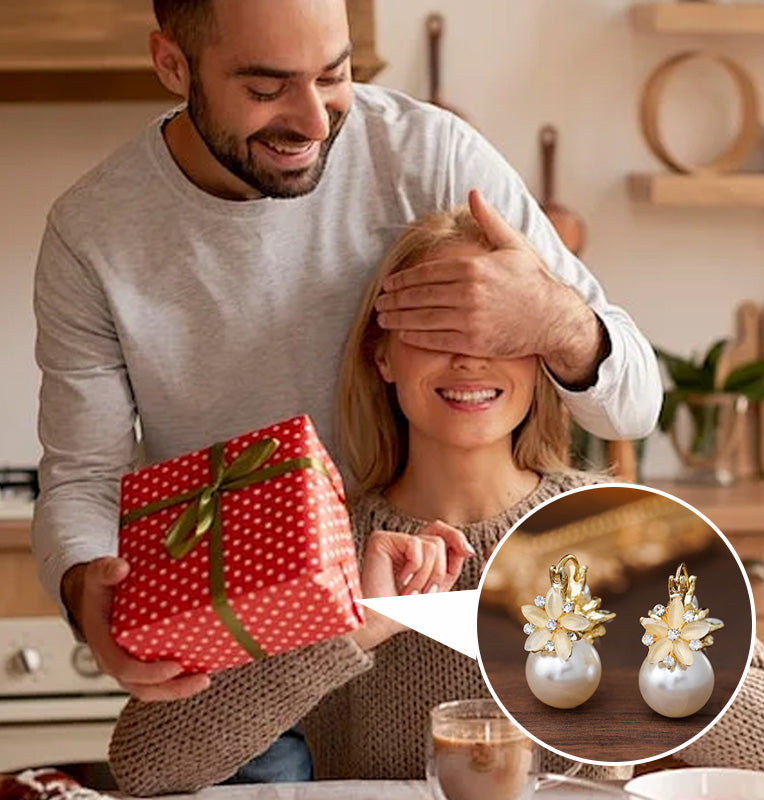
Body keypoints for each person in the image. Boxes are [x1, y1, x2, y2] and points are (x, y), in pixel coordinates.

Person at [31, 0, 660, 778]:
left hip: (404, 607)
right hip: (246, 656)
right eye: (266, 89)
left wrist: (554, 318)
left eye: (334, 76)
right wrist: (86, 585)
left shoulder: (430, 155)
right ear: (172, 64)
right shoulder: (93, 231)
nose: (313, 121)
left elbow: (634, 400)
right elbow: (84, 478)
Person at [107, 208, 764, 794]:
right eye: (436, 331)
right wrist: (352, 629)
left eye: (500, 333)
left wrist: (653, 640)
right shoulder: (326, 547)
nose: (470, 358)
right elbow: (143, 765)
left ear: (541, 355)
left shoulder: (618, 529)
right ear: (382, 357)